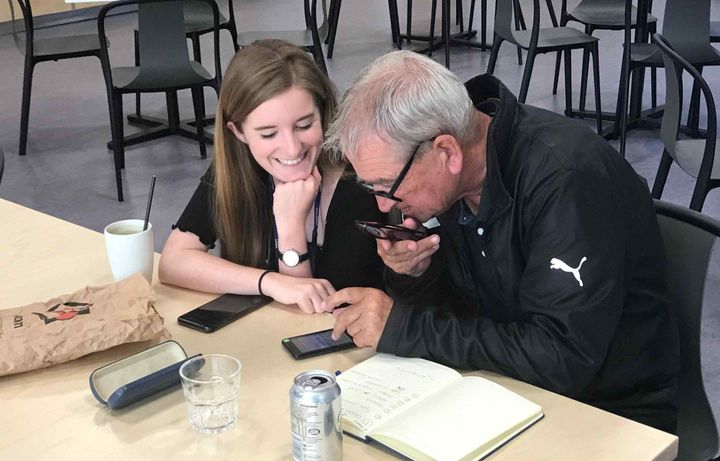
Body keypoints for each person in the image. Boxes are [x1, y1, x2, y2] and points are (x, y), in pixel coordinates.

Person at [321, 51, 680, 432]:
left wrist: (405, 329)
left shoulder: (566, 180)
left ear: (446, 152)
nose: (383, 203)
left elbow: (561, 357)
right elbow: (455, 320)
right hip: (500, 388)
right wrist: (414, 273)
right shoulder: (450, 181)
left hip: (608, 410)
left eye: (387, 186)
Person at [159, 40, 384, 314]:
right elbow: (173, 263)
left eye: (304, 125)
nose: (292, 148)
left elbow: (311, 319)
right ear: (238, 132)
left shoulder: (356, 188)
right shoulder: (235, 173)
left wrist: (290, 230)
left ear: (323, 114)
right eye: (268, 134)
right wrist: (270, 282)